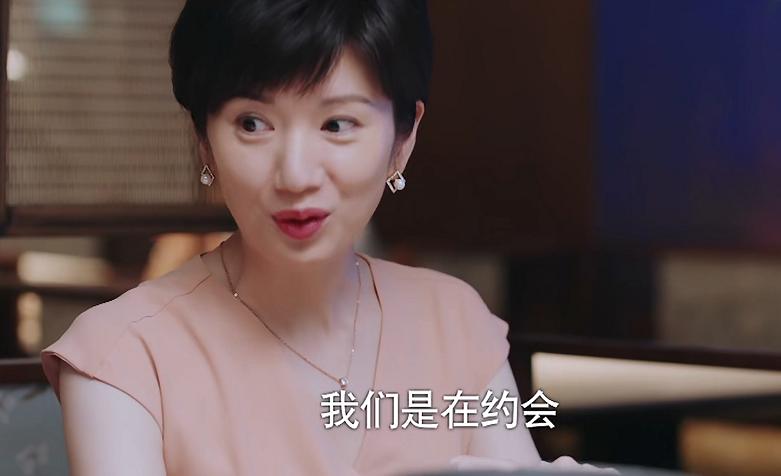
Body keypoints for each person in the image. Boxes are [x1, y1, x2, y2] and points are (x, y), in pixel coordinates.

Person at [40, 1, 617, 474]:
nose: (295, 175)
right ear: (204, 140)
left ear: (403, 140)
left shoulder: (454, 321)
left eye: (337, 124)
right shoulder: (124, 355)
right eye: (252, 124)